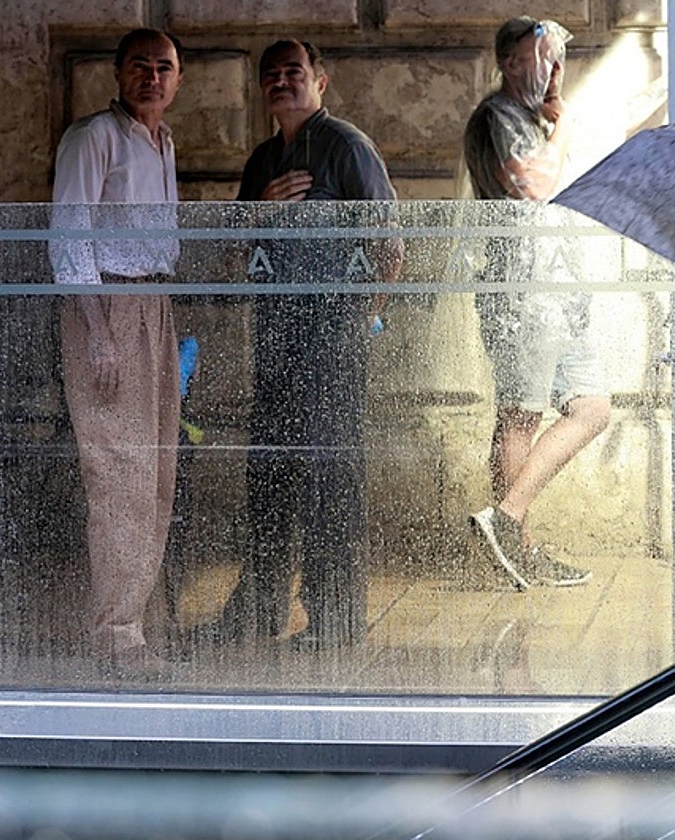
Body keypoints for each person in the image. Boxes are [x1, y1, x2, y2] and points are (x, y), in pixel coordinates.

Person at [221, 39, 401, 651]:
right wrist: (262, 213)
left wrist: (363, 319)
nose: (281, 82)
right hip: (274, 340)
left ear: (320, 81)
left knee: (330, 476)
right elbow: (233, 251)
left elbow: (391, 244)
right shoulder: (262, 159)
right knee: (269, 472)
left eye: (292, 72)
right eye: (269, 75)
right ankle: (258, 608)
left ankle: (336, 618)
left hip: (334, 342)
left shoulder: (347, 147)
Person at [50, 28, 184, 681]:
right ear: (117, 73)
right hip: (106, 309)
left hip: (154, 308)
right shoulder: (93, 137)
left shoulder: (162, 142)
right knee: (119, 475)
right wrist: (99, 332)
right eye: (141, 66)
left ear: (178, 79)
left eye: (164, 68)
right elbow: (69, 236)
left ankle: (134, 619)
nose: (152, 78)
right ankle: (115, 635)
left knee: (157, 474)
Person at [463, 16, 610, 590]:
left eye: (558, 58)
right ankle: (514, 544)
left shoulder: (534, 119)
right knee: (521, 414)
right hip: (521, 292)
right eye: (542, 57)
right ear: (510, 63)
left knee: (592, 407)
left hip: (558, 292)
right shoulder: (497, 117)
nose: (555, 69)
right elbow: (531, 185)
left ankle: (506, 520)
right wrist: (565, 127)